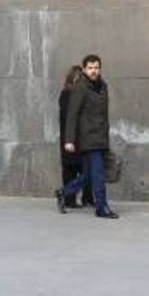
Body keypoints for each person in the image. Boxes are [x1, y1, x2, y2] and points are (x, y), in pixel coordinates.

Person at [55, 54, 117, 219]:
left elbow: (104, 115)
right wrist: (69, 140)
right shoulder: (80, 87)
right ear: (84, 69)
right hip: (88, 138)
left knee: (89, 175)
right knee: (98, 175)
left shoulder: (103, 86)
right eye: (90, 68)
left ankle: (64, 192)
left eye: (96, 67)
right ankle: (101, 207)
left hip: (101, 138)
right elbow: (72, 115)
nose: (93, 71)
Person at [57, 65, 93, 210]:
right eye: (79, 78)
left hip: (82, 139)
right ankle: (68, 199)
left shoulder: (81, 93)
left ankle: (87, 198)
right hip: (71, 138)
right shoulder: (66, 94)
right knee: (70, 170)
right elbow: (69, 117)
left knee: (87, 170)